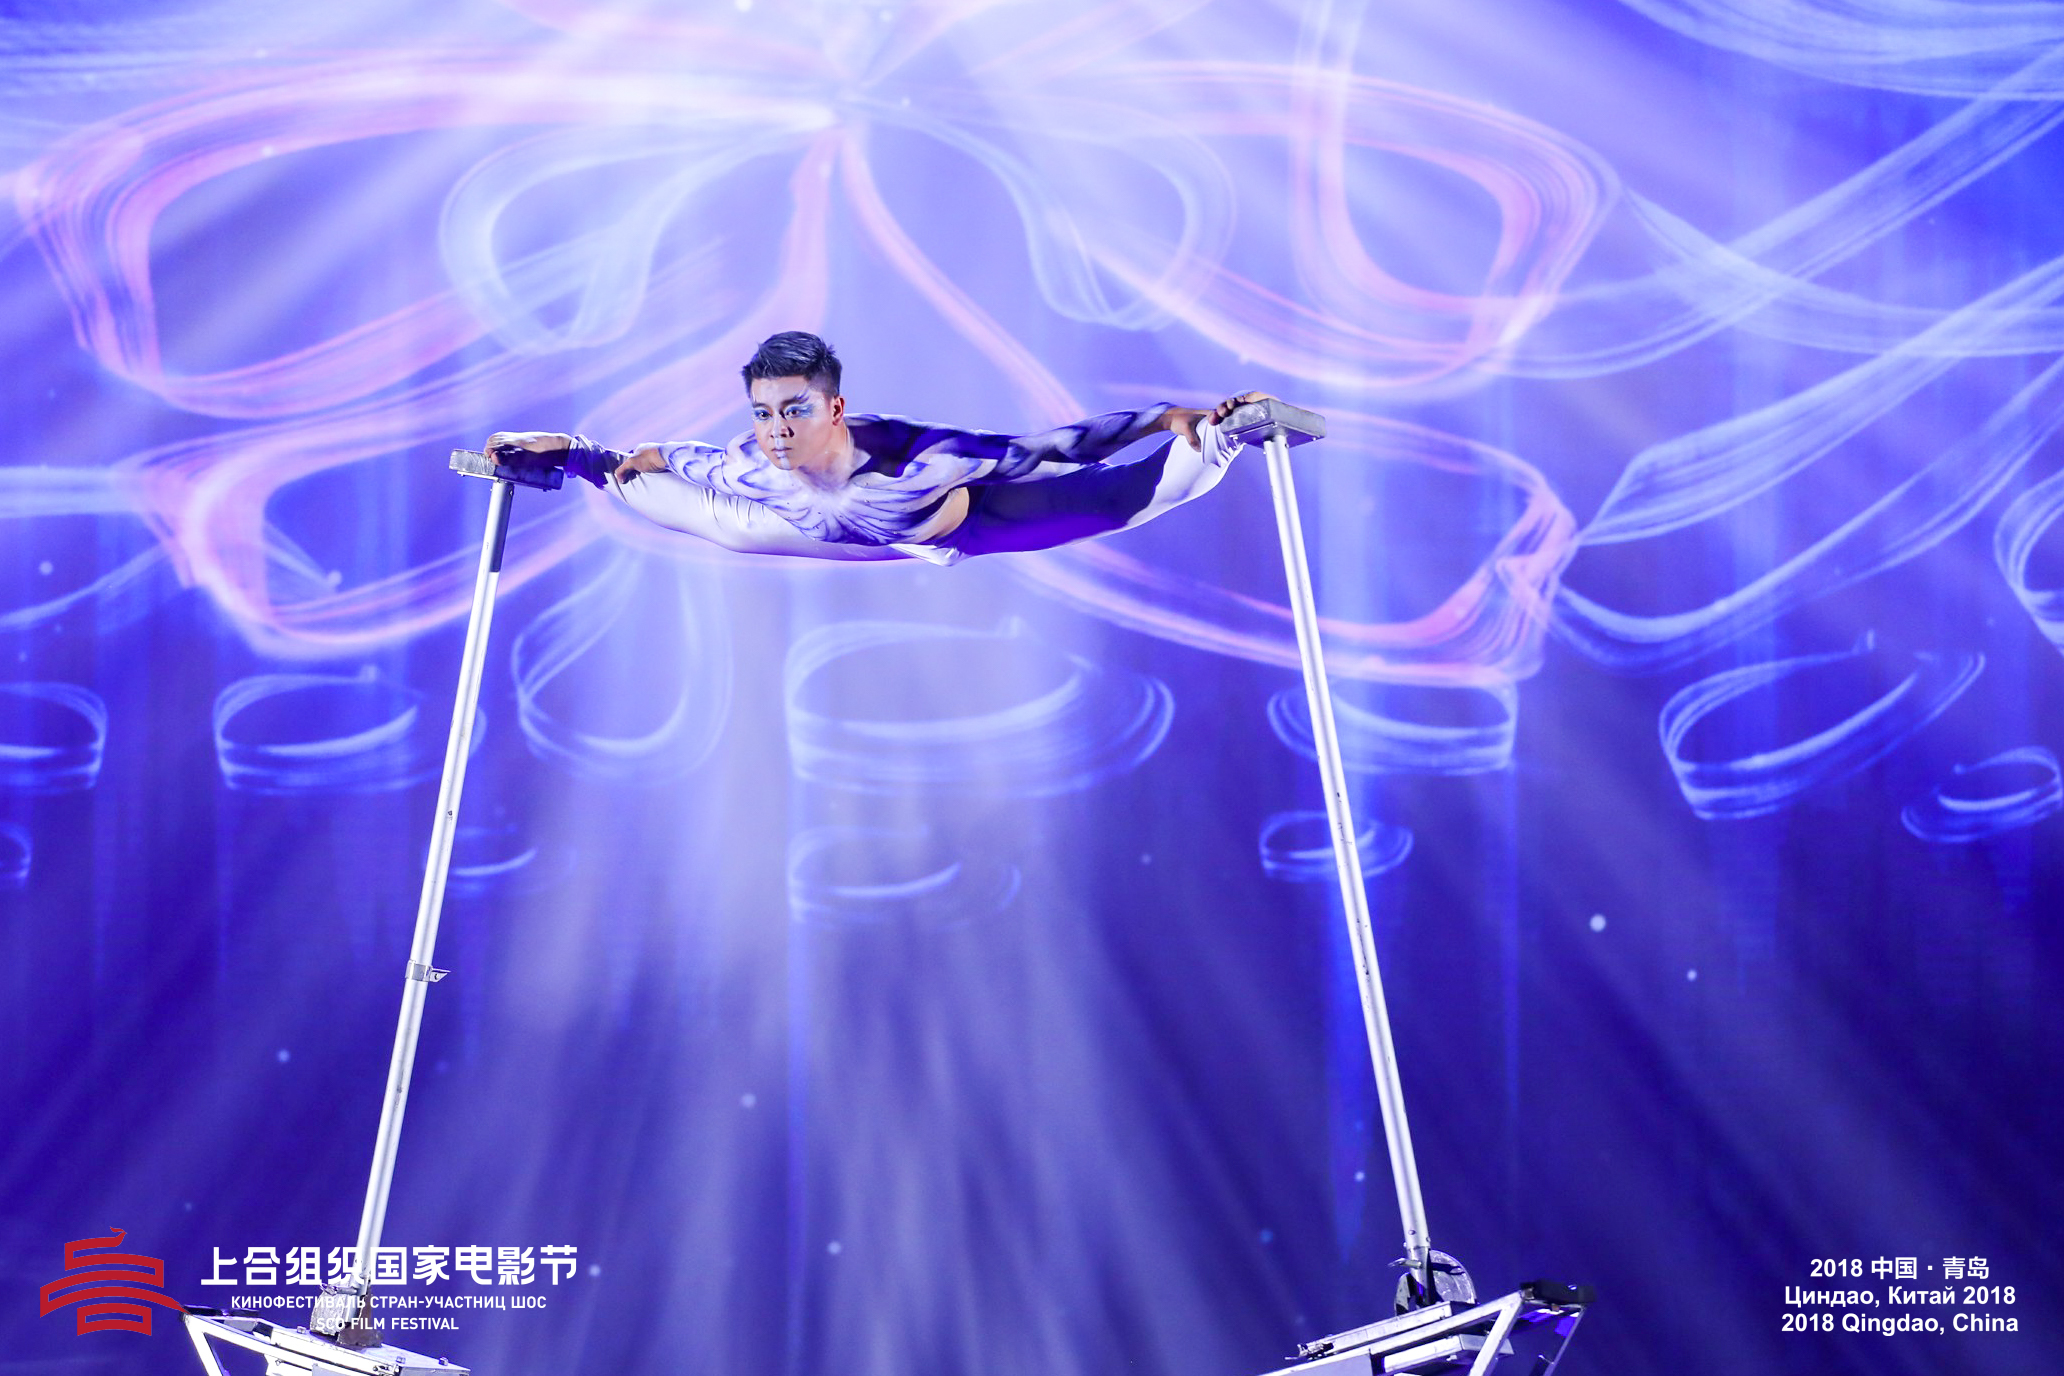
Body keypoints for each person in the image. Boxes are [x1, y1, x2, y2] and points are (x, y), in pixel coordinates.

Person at [484, 331, 1271, 565]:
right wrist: (598, 455)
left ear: (835, 408)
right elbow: (677, 459)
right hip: (809, 522)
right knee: (714, 520)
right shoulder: (751, 462)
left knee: (1123, 501)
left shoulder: (928, 463)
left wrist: (1165, 418)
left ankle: (1220, 437)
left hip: (952, 521)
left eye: (795, 411)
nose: (777, 430)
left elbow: (1049, 447)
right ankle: (574, 456)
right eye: (763, 414)